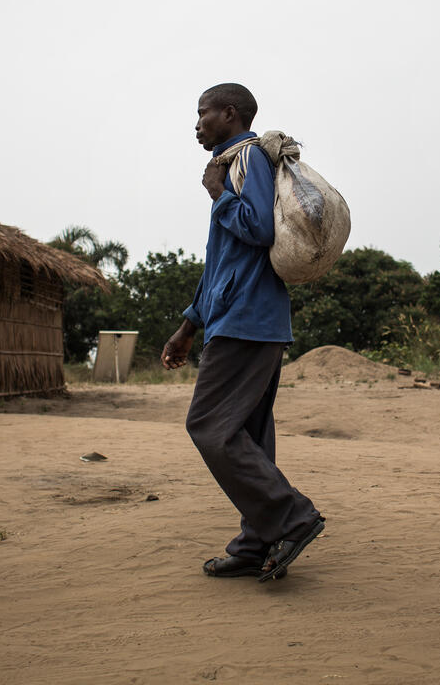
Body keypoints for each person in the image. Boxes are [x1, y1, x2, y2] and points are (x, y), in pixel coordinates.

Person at [162, 83, 324, 582]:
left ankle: (291, 516)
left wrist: (217, 196)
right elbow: (222, 263)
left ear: (229, 114)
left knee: (208, 425)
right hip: (247, 319)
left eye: (202, 113)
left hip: (247, 321)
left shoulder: (246, 159)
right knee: (249, 435)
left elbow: (258, 229)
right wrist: (189, 324)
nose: (196, 124)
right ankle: (257, 542)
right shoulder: (235, 161)